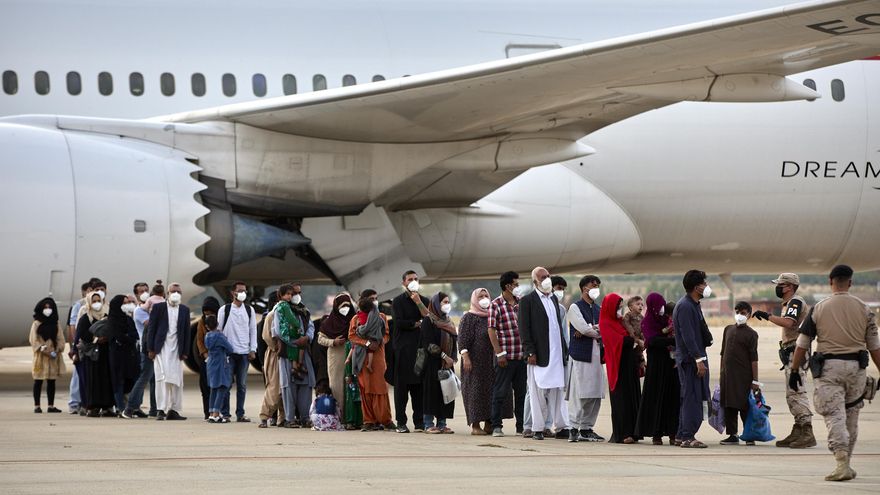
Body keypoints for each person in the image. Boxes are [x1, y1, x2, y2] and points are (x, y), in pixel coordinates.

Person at [790, 264, 880, 481]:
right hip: (857, 369)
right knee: (852, 415)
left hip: (829, 369)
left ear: (831, 282)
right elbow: (874, 346)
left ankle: (841, 462)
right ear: (850, 282)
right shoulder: (864, 309)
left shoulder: (819, 308)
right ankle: (847, 462)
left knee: (834, 415)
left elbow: (802, 343)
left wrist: (794, 370)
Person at [753, 273, 815, 449]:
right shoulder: (789, 303)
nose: (778, 287)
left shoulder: (795, 302)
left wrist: (767, 316)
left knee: (797, 391)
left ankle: (807, 431)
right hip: (792, 351)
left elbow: (789, 323)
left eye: (780, 284)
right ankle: (799, 429)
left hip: (797, 351)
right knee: (792, 393)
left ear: (789, 286)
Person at [519, 267, 568, 441]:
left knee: (558, 391)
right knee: (537, 392)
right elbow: (524, 330)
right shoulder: (527, 301)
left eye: (548, 276)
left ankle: (561, 426)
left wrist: (564, 350)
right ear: (535, 282)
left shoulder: (554, 299)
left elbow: (558, 328)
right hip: (538, 355)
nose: (547, 279)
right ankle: (537, 428)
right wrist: (529, 351)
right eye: (542, 277)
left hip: (556, 354)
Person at [460, 288, 512, 436]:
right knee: (476, 392)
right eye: (481, 296)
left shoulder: (493, 314)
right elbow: (463, 340)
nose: (484, 299)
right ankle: (475, 425)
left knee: (492, 392)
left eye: (486, 296)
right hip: (475, 363)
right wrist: (466, 358)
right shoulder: (469, 318)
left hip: (493, 362)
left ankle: (490, 423)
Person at [672, 269, 713, 449]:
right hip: (691, 360)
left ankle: (682, 434)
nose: (706, 286)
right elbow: (688, 336)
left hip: (694, 357)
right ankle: (688, 436)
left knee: (691, 396)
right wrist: (698, 360)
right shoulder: (686, 306)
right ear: (697, 287)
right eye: (704, 283)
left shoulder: (693, 304)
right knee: (692, 397)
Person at [566, 276, 606, 442]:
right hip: (581, 356)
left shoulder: (599, 309)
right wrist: (592, 330)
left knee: (595, 393)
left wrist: (592, 329)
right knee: (580, 393)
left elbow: (604, 327)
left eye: (597, 285)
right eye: (593, 285)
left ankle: (587, 427)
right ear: (584, 288)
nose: (596, 287)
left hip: (597, 356)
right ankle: (574, 427)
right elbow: (583, 327)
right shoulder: (575, 307)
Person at [635, 292, 679, 445]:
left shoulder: (666, 320)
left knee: (671, 399)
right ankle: (656, 434)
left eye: (663, 305)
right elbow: (652, 341)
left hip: (670, 366)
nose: (661, 309)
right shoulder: (648, 322)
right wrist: (671, 339)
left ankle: (673, 433)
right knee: (656, 400)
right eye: (659, 305)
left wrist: (668, 339)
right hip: (656, 368)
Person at [600, 292, 642, 444]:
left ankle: (634, 432)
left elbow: (632, 336)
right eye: (617, 306)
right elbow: (620, 341)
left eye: (621, 306)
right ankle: (623, 433)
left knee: (632, 397)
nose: (619, 308)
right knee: (622, 399)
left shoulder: (620, 321)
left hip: (629, 365)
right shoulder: (605, 322)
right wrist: (633, 340)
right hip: (618, 366)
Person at [390, 270, 429, 433]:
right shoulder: (398, 301)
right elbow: (399, 323)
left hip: (419, 350)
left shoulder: (425, 300)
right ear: (404, 283)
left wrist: (419, 302)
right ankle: (401, 422)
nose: (413, 281)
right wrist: (415, 324)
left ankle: (419, 422)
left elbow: (429, 319)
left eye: (416, 279)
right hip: (403, 351)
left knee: (419, 389)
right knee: (402, 390)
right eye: (410, 279)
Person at [489, 271, 527, 437]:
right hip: (505, 356)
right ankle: (497, 426)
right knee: (500, 392)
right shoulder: (496, 304)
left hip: (521, 356)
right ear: (507, 286)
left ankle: (521, 426)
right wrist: (499, 353)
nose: (518, 287)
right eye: (516, 284)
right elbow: (491, 329)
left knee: (521, 393)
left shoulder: (521, 303)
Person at [348, 290, 393, 431]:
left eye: (376, 298)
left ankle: (386, 420)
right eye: (371, 299)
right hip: (362, 357)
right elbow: (352, 336)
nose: (375, 301)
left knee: (380, 388)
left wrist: (378, 342)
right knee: (365, 389)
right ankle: (369, 420)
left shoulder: (381, 317)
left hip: (378, 357)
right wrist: (367, 343)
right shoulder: (356, 319)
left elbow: (386, 335)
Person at [273, 283, 317, 428]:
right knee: (288, 386)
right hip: (288, 352)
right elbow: (278, 331)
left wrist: (307, 338)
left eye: (298, 293)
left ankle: (305, 417)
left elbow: (311, 326)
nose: (296, 296)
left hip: (304, 351)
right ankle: (290, 418)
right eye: (293, 293)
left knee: (306, 385)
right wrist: (294, 342)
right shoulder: (281, 310)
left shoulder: (304, 310)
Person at [147, 283, 191, 421]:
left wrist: (185, 351)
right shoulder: (158, 308)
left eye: (178, 291)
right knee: (161, 380)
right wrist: (151, 349)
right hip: (161, 350)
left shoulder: (184, 309)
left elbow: (187, 332)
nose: (176, 294)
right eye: (173, 291)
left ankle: (174, 410)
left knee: (177, 381)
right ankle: (161, 409)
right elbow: (151, 329)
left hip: (177, 351)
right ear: (167, 293)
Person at [719, 301, 760, 445]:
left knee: (744, 406)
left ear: (749, 315)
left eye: (743, 313)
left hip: (743, 376)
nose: (739, 315)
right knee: (729, 405)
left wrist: (755, 381)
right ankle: (732, 435)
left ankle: (749, 435)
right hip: (727, 376)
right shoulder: (728, 329)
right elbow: (723, 354)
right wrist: (721, 374)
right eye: (737, 312)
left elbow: (754, 359)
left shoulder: (752, 334)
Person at [217, 282, 257, 422]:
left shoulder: (249, 310)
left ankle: (240, 413)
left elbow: (253, 330)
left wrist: (253, 349)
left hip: (244, 353)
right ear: (232, 293)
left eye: (244, 291)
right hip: (229, 353)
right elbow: (219, 331)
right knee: (226, 385)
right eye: (240, 291)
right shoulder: (224, 309)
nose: (243, 293)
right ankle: (225, 414)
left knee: (242, 385)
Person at [123, 283, 164, 419]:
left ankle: (154, 409)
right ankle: (130, 408)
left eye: (147, 290)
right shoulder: (140, 311)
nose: (145, 293)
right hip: (146, 347)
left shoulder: (151, 308)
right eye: (141, 291)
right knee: (144, 377)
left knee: (154, 380)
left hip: (155, 347)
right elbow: (151, 325)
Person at [317, 293, 354, 424]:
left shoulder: (353, 320)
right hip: (336, 356)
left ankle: (351, 418)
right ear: (336, 306)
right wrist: (333, 342)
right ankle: (339, 417)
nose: (346, 308)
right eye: (343, 306)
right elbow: (320, 339)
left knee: (351, 387)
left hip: (351, 356)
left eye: (348, 306)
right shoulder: (329, 323)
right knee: (336, 386)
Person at [75, 291, 113, 417]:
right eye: (94, 301)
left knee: (106, 379)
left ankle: (107, 406)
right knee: (93, 380)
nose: (97, 303)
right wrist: (96, 339)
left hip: (105, 352)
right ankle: (92, 407)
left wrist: (107, 338)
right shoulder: (86, 317)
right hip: (92, 355)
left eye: (99, 301)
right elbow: (82, 334)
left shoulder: (106, 315)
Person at [106, 295, 140, 417]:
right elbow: (118, 336)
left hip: (129, 355)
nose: (127, 305)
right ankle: (120, 407)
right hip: (117, 356)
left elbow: (135, 334)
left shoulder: (128, 319)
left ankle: (132, 407)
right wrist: (127, 337)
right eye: (124, 303)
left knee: (130, 380)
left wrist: (127, 337)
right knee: (118, 381)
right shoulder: (112, 320)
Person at [30, 297, 66, 413]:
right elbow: (33, 340)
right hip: (41, 357)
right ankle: (37, 405)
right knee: (38, 381)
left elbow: (60, 339)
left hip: (53, 356)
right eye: (45, 308)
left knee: (51, 381)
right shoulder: (36, 324)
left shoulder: (56, 323)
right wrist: (43, 349)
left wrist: (57, 349)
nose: (48, 310)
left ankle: (51, 405)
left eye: (50, 307)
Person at [258, 290, 285, 428]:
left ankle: (282, 418)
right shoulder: (271, 315)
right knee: (274, 388)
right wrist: (276, 347)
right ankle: (264, 416)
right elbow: (266, 337)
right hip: (275, 354)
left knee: (284, 388)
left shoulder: (285, 314)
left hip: (285, 354)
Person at [194, 296, 221, 421]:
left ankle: (219, 411)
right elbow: (199, 339)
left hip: (219, 358)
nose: (207, 316)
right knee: (205, 386)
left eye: (210, 313)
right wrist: (205, 354)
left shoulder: (221, 319)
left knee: (220, 386)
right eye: (205, 314)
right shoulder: (201, 322)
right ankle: (207, 412)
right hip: (207, 359)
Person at [67, 281, 90, 414]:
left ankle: (86, 402)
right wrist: (73, 347)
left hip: (92, 346)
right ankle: (74, 403)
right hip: (81, 345)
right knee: (77, 375)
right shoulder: (79, 306)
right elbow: (72, 326)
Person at [205, 314, 233, 424]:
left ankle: (211, 413)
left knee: (213, 388)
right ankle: (217, 413)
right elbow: (230, 348)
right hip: (221, 363)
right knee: (222, 387)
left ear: (207, 326)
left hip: (211, 363)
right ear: (217, 324)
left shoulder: (207, 336)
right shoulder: (220, 336)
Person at [622, 295, 647, 374]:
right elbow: (627, 324)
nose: (640, 306)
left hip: (640, 339)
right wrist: (632, 334)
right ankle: (640, 365)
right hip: (632, 339)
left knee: (640, 353)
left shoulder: (642, 317)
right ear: (631, 307)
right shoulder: (628, 315)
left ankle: (642, 366)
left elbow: (644, 327)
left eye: (642, 304)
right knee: (635, 354)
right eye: (638, 304)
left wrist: (644, 337)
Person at [342, 339, 363, 430]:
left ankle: (360, 422)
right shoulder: (349, 344)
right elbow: (347, 361)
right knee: (350, 399)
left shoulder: (363, 341)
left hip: (361, 376)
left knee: (360, 400)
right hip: (352, 377)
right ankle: (350, 421)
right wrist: (348, 375)